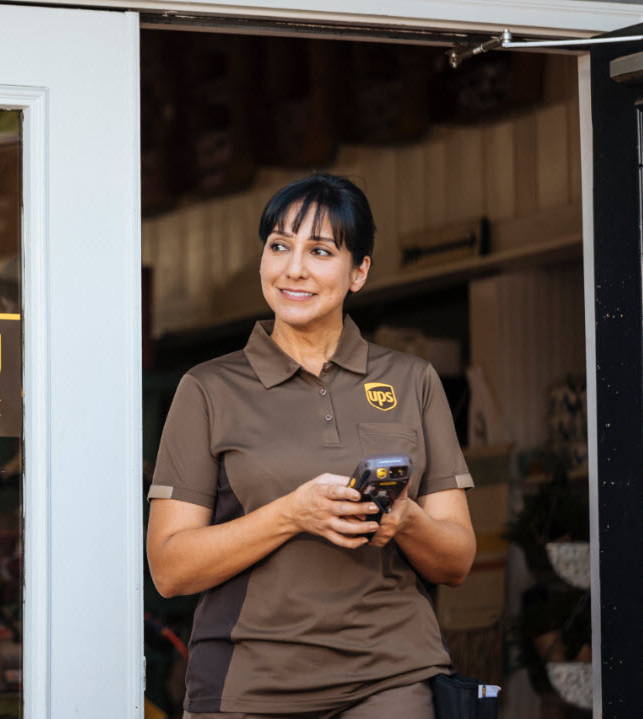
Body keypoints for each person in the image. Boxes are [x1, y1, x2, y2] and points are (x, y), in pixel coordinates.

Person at [146, 173, 476, 719]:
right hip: (248, 683)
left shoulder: (412, 380)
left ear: (359, 272)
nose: (293, 268)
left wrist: (407, 521)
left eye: (320, 251)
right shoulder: (208, 389)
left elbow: (458, 560)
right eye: (279, 246)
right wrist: (292, 514)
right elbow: (170, 568)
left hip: (390, 675)